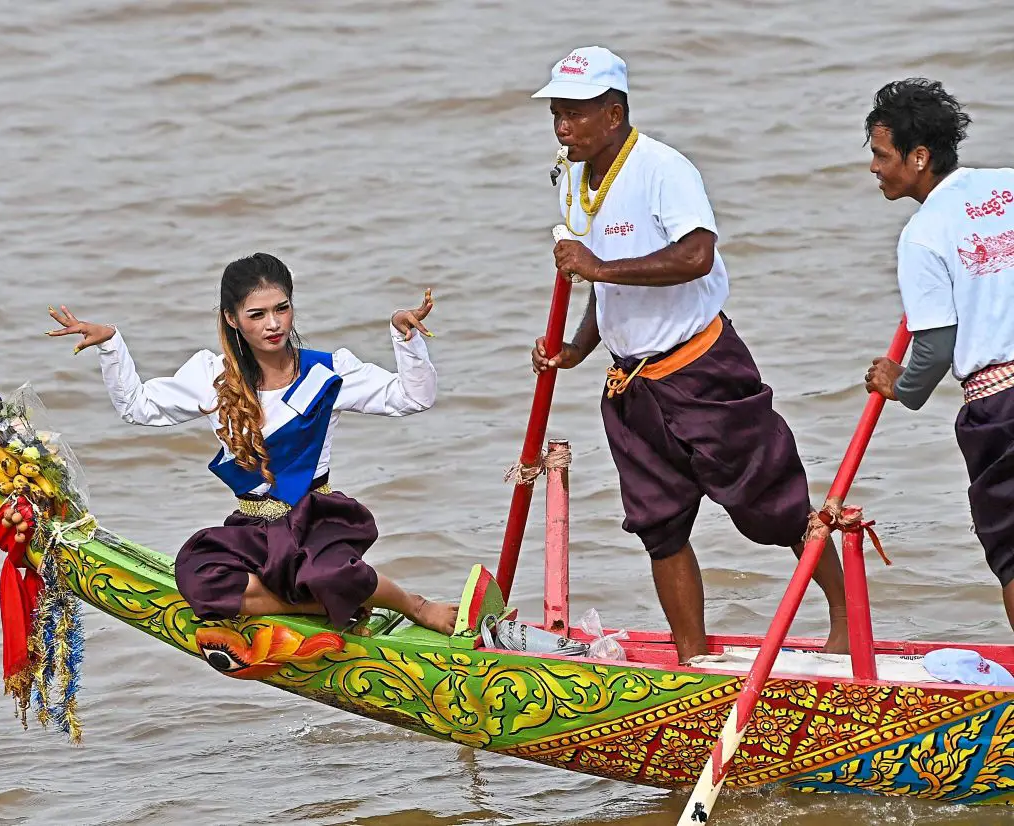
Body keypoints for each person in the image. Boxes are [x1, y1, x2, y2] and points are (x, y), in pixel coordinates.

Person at [527, 46, 849, 663]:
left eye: (575, 113)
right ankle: (693, 658)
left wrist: (595, 264)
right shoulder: (571, 180)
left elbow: (695, 255)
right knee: (659, 525)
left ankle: (843, 620)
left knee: (775, 503)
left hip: (702, 368)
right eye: (556, 114)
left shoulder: (662, 168)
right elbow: (605, 286)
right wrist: (575, 349)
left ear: (614, 113)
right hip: (631, 387)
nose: (563, 127)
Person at [47, 253, 458, 635]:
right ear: (232, 319)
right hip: (255, 526)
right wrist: (110, 344)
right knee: (200, 580)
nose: (273, 324)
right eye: (257, 314)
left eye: (282, 308)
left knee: (331, 573)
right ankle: (317, 608)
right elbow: (138, 407)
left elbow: (413, 397)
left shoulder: (327, 372)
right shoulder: (214, 377)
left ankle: (414, 605)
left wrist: (405, 339)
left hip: (316, 520)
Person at [861, 78, 1014, 633]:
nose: (874, 169)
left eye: (881, 155)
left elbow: (934, 350)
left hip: (1003, 407)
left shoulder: (923, 233)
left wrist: (895, 384)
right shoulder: (1009, 184)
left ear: (919, 157)